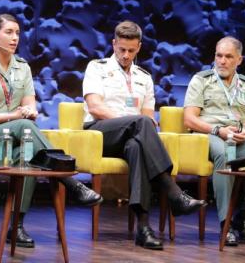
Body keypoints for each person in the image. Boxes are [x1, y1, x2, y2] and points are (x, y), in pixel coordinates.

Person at [0, 14, 102, 248]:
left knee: (27, 155)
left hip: (19, 132)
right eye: (9, 32)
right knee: (24, 126)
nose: (14, 38)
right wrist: (17, 116)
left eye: (17, 33)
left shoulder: (23, 68)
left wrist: (29, 112)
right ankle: (71, 182)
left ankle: (16, 226)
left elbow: (31, 106)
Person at [82, 20, 203, 250]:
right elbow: (95, 107)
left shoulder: (144, 77)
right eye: (121, 49)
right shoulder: (96, 68)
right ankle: (172, 190)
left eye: (131, 50)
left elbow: (148, 116)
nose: (126, 55)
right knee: (139, 123)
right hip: (99, 134)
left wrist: (138, 123)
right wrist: (129, 121)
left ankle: (144, 228)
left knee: (137, 146)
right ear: (113, 44)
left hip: (132, 136)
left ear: (139, 47)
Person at [183, 36, 245, 246]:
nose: (222, 61)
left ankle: (244, 217)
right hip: (208, 135)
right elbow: (190, 119)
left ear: (239, 60)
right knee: (225, 154)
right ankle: (225, 224)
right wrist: (218, 130)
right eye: (219, 56)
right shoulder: (201, 80)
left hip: (237, 137)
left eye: (228, 57)